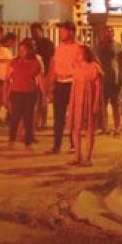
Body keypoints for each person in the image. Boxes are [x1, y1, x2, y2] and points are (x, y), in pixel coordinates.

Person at [47, 21, 81, 155]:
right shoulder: (59, 48)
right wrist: (51, 85)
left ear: (71, 32)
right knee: (58, 116)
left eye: (63, 31)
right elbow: (54, 67)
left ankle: (74, 144)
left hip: (72, 83)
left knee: (72, 116)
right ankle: (56, 146)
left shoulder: (79, 48)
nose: (61, 33)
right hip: (60, 83)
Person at [4, 39, 43, 150]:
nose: (22, 52)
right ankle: (11, 141)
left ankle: (28, 143)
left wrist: (44, 94)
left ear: (30, 50)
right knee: (15, 118)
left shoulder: (36, 62)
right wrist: (5, 94)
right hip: (16, 92)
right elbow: (7, 79)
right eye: (20, 49)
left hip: (30, 93)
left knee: (29, 119)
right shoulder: (14, 62)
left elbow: (40, 79)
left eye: (24, 50)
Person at [67, 46, 102, 167]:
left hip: (89, 98)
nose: (77, 55)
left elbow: (98, 87)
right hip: (77, 99)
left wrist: (96, 103)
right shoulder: (76, 67)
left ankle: (88, 157)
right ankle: (77, 156)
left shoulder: (94, 67)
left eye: (79, 53)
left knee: (89, 129)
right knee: (75, 128)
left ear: (86, 54)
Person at [95, 26, 122, 136]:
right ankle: (104, 128)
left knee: (116, 104)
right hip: (101, 80)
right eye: (106, 32)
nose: (108, 34)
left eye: (110, 32)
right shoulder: (97, 47)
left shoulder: (119, 46)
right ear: (101, 34)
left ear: (113, 34)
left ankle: (117, 127)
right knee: (102, 105)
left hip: (115, 80)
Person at [31, 23, 55, 129]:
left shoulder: (47, 43)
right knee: (35, 100)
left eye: (36, 31)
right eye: (33, 32)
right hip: (34, 75)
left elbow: (51, 59)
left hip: (44, 73)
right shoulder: (31, 43)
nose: (35, 34)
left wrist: (49, 74)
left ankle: (43, 121)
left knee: (43, 99)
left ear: (41, 31)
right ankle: (36, 121)